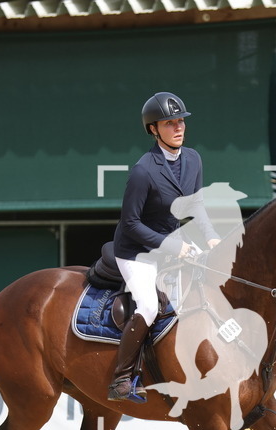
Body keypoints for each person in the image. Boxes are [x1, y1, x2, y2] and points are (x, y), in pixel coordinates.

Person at [107, 91, 219, 402]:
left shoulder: (194, 158)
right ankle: (121, 379)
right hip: (136, 251)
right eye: (170, 123)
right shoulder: (143, 171)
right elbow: (130, 223)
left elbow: (195, 206)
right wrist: (174, 247)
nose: (178, 127)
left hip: (173, 245)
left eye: (181, 121)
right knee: (149, 305)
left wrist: (209, 235)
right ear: (154, 129)